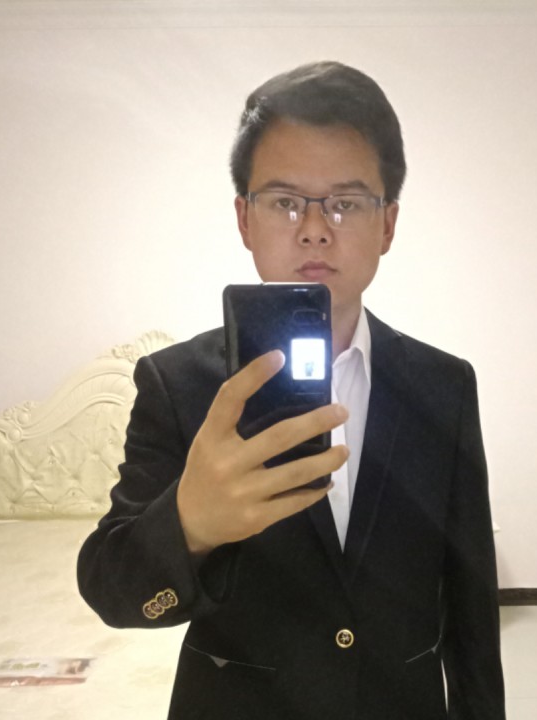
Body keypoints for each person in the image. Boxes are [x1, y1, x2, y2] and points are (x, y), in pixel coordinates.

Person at [77, 61, 505, 720]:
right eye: (284, 201)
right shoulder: (177, 382)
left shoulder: (444, 384)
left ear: (388, 225)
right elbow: (112, 590)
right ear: (244, 219)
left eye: (346, 202)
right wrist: (189, 525)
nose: (314, 228)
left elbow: (471, 599)